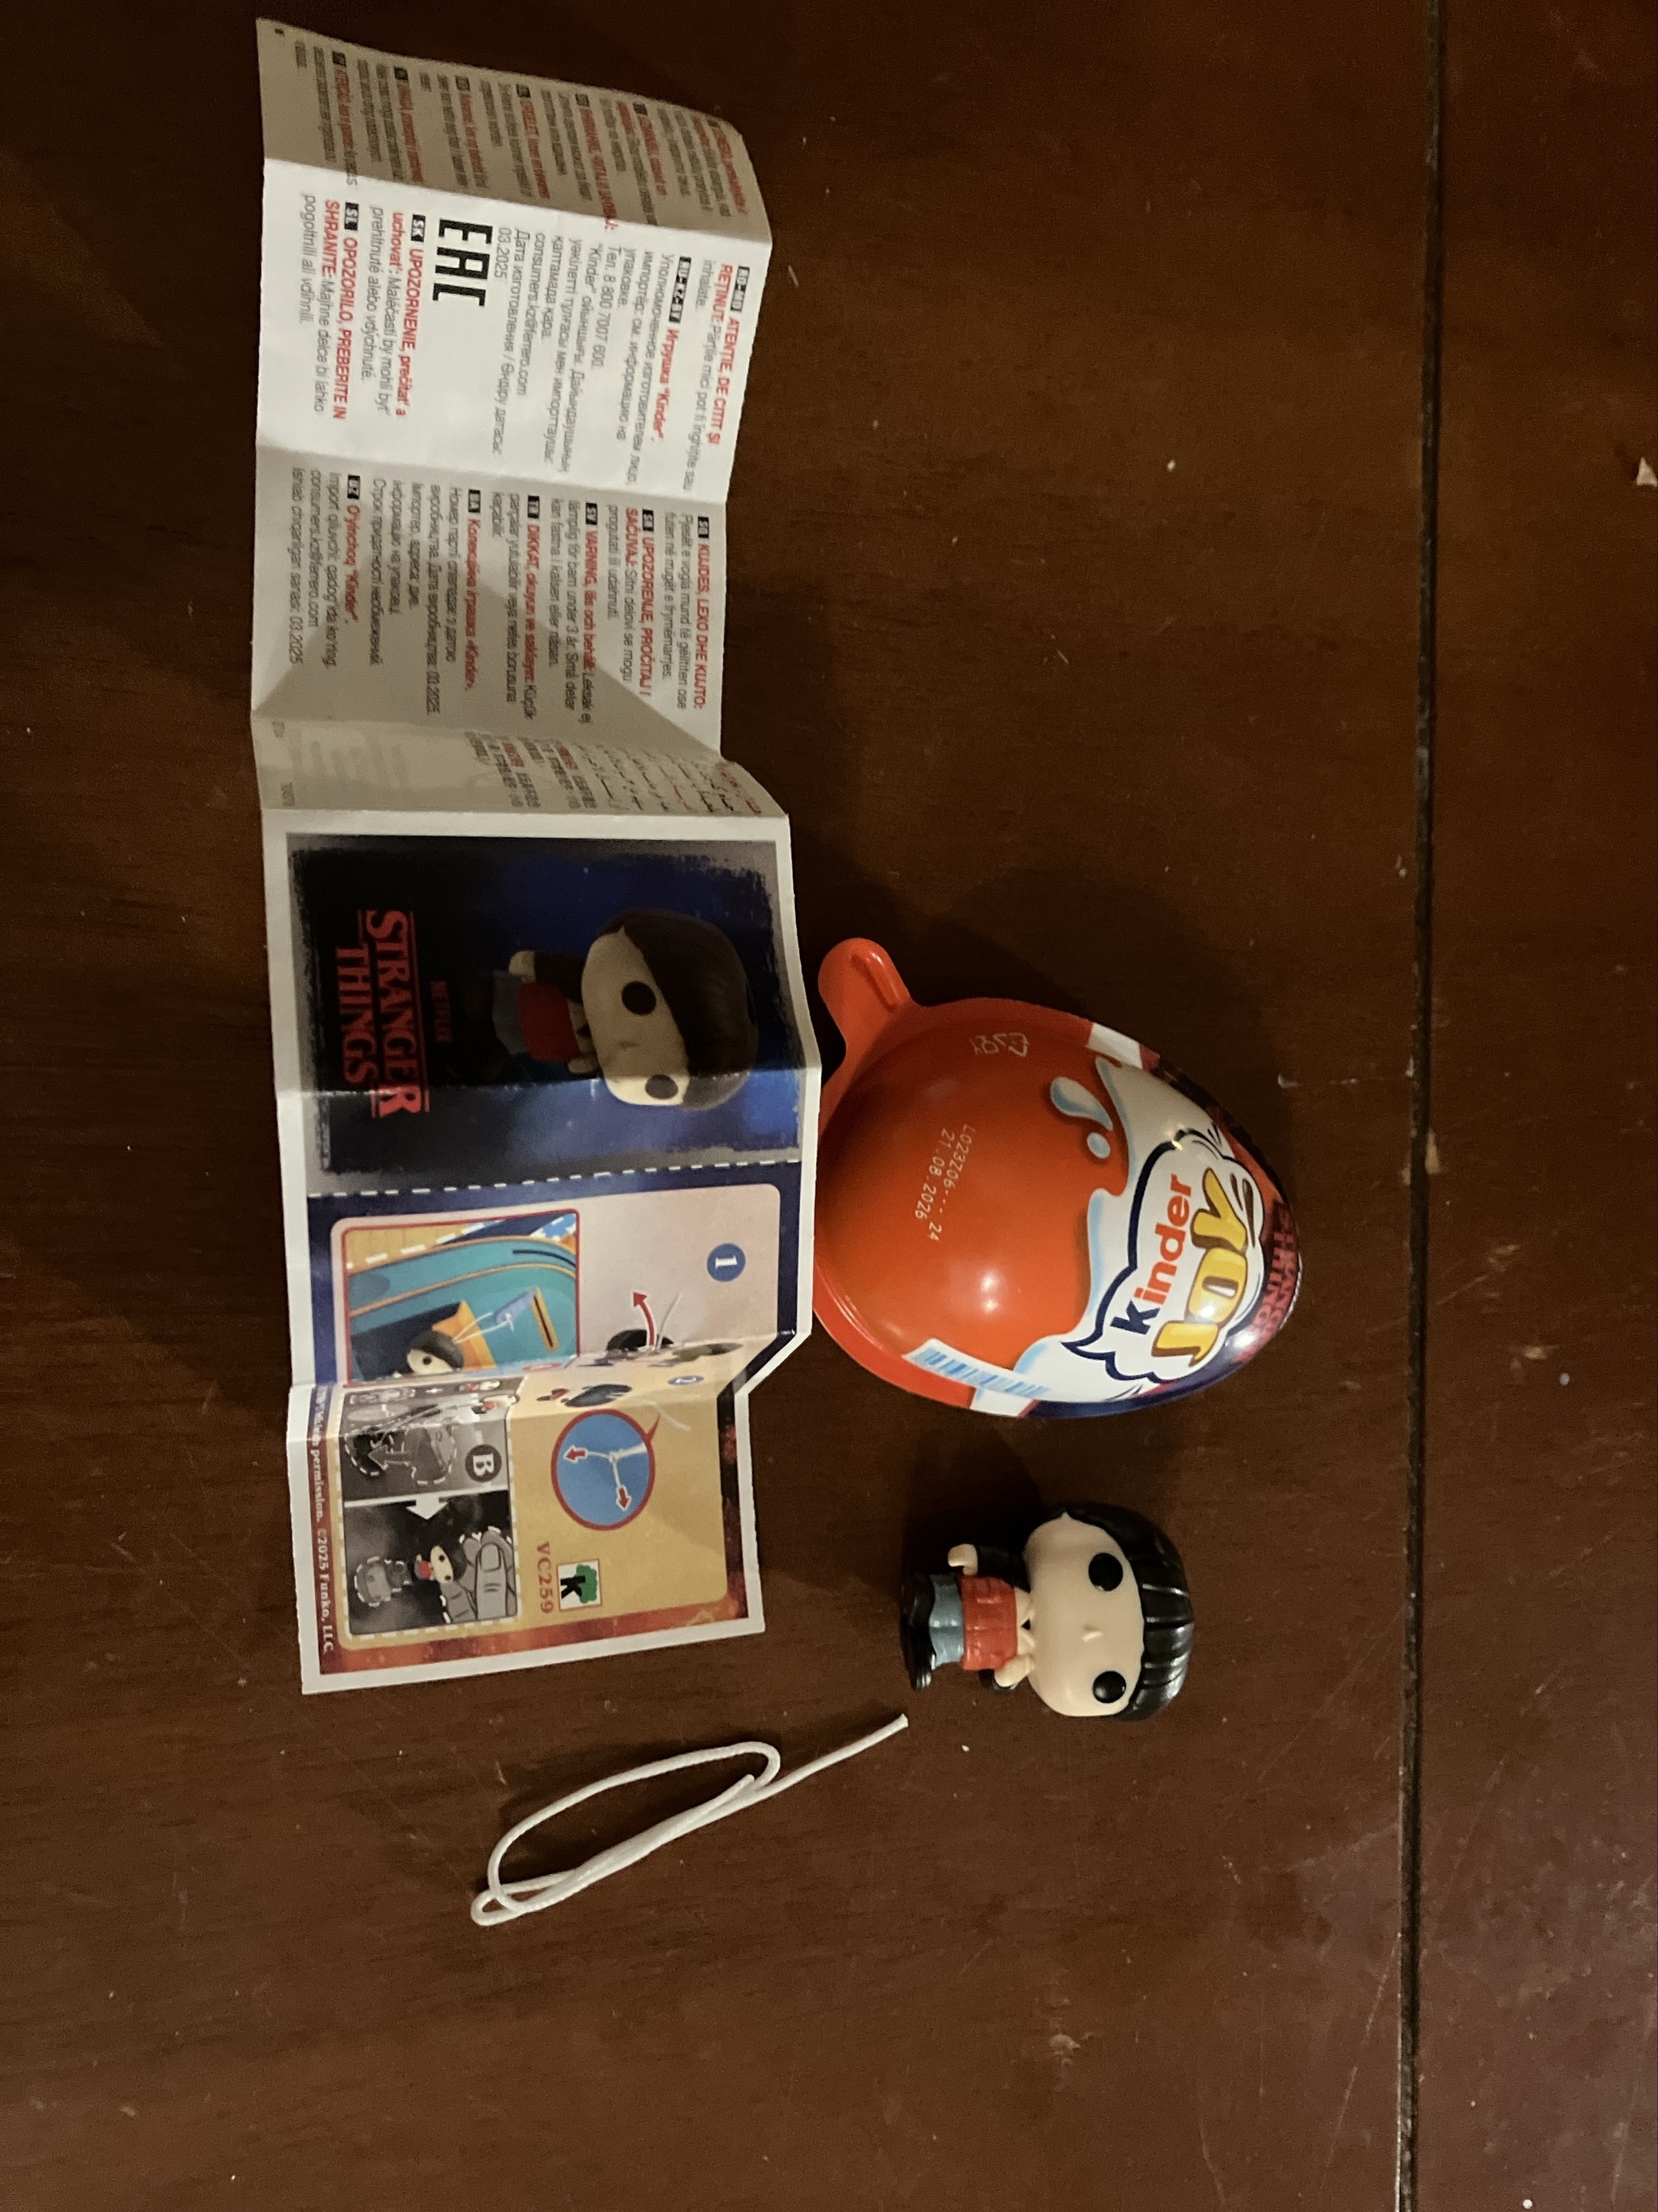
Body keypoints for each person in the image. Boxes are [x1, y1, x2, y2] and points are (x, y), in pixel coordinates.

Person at [899, 1503, 1193, 1720]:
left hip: (986, 1647)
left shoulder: (1024, 1657)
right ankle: (928, 1598)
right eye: (1104, 1574)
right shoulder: (1020, 1578)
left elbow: (995, 1680)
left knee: (960, 1646)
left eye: (1107, 1683)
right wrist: (979, 1557)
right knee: (952, 1601)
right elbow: (1005, 1563)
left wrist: (1004, 1679)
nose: (1090, 1633)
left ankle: (932, 1650)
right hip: (979, 1597)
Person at [460, 909, 759, 1109]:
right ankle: (489, 995)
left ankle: (499, 1047)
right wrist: (537, 965)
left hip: (531, 1043)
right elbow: (563, 970)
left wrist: (581, 1065)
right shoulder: (579, 981)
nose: (629, 1049)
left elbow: (576, 1065)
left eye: (660, 1085)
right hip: (524, 999)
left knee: (498, 1052)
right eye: (638, 999)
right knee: (482, 998)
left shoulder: (594, 1055)